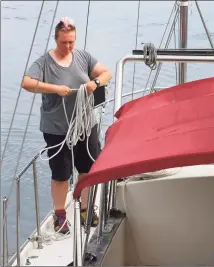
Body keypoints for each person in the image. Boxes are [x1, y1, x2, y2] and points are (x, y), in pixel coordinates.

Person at [21, 17, 112, 234]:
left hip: (85, 125)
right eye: (64, 42)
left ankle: (86, 209)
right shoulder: (44, 62)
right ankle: (60, 215)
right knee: (61, 174)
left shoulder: (83, 56)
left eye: (72, 42)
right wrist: (54, 88)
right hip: (57, 128)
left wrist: (95, 82)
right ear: (56, 39)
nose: (68, 46)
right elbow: (26, 83)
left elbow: (106, 73)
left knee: (87, 169)